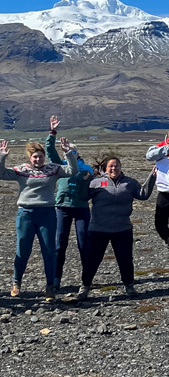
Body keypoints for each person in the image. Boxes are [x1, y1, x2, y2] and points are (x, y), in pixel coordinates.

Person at [0, 137, 78, 300]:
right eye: (35, 156)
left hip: (47, 214)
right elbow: (2, 173)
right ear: (30, 157)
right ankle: (16, 282)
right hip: (26, 214)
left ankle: (50, 286)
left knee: (49, 251)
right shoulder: (22, 169)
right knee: (23, 249)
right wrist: (2, 156)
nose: (38, 159)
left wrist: (68, 153)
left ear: (44, 156)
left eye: (40, 156)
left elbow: (72, 171)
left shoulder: (53, 169)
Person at [78, 156, 156, 300]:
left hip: (122, 229)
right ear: (105, 169)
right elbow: (82, 197)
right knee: (92, 259)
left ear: (121, 167)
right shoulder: (96, 182)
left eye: (116, 166)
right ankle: (85, 287)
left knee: (125, 259)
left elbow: (143, 194)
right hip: (98, 229)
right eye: (111, 166)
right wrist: (84, 182)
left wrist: (152, 177)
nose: (114, 168)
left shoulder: (130, 183)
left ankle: (129, 285)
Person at [45, 116, 94, 291]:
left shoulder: (87, 169)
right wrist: (52, 132)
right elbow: (49, 151)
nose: (71, 152)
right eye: (68, 150)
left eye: (74, 150)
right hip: (62, 208)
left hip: (81, 208)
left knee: (83, 243)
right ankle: (56, 279)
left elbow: (93, 187)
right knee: (60, 244)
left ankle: (86, 280)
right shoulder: (60, 165)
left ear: (78, 153)